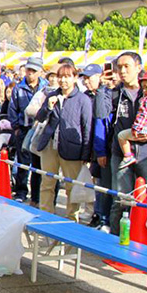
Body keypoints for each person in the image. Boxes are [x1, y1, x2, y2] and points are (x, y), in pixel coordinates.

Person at [97, 52, 147, 233]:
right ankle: (116, 243)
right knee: (121, 200)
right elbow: (100, 113)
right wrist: (102, 87)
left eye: (127, 66)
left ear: (138, 68)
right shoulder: (115, 93)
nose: (122, 71)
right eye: (119, 67)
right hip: (121, 154)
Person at [34, 62, 92, 220]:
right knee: (47, 183)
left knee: (71, 187)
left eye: (67, 77)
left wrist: (86, 154)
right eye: (60, 77)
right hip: (50, 145)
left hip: (72, 149)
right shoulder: (52, 95)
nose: (63, 80)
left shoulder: (83, 100)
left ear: (75, 78)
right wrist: (49, 108)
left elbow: (87, 127)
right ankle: (45, 216)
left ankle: (71, 219)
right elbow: (40, 117)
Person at [7, 56, 48, 206]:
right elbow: (12, 109)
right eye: (28, 70)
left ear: (40, 72)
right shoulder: (19, 88)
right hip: (23, 129)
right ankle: (21, 191)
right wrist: (16, 127)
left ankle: (36, 196)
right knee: (22, 162)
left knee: (38, 165)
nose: (29, 73)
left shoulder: (46, 88)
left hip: (40, 130)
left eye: (33, 71)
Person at [81, 63, 112, 229]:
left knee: (103, 185)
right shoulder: (85, 96)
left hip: (103, 147)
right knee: (96, 182)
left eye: (89, 78)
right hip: (92, 147)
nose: (86, 81)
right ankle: (97, 214)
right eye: (84, 78)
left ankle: (103, 218)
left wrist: (100, 150)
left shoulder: (107, 95)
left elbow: (101, 120)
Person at [117, 71, 147, 170]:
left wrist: (136, 129)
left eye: (146, 87)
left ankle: (127, 156)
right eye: (143, 87)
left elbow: (143, 116)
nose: (144, 90)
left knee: (121, 135)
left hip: (144, 130)